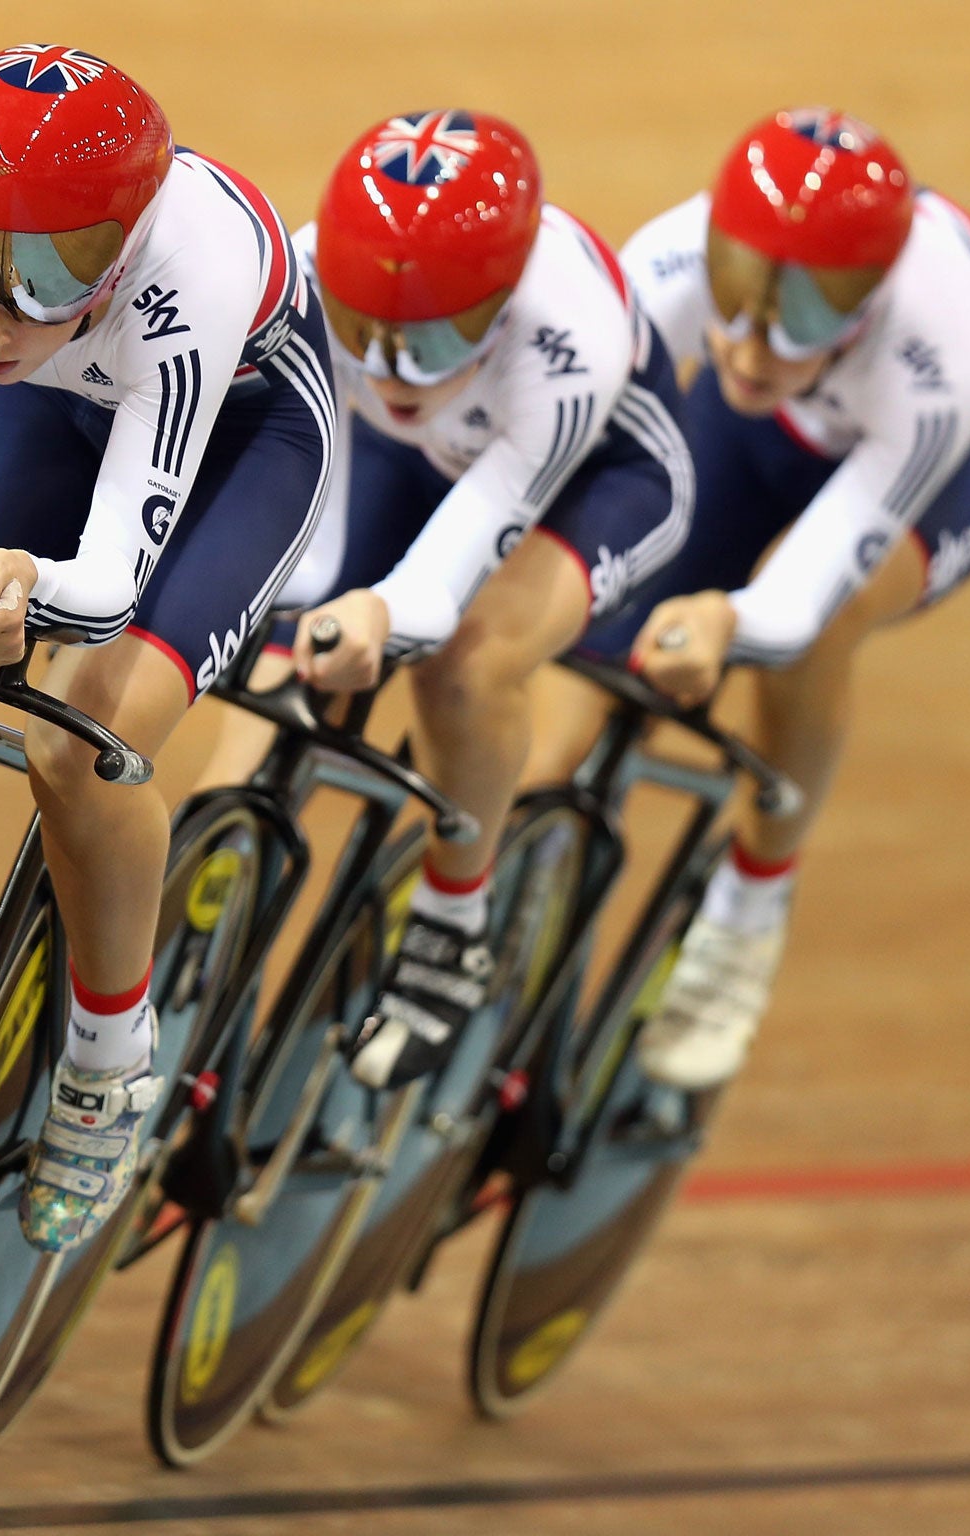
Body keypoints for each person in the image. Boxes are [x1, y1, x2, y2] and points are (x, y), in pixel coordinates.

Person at [0, 45, 335, 1251]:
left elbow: (104, 587)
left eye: (40, 277)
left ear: (120, 245)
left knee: (80, 746)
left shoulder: (190, 269)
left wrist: (28, 588)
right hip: (64, 400)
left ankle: (107, 1058)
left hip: (244, 443)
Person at [202, 110, 694, 1089]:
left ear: (501, 303)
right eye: (366, 331)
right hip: (408, 456)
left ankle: (451, 921)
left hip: (597, 477)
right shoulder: (300, 275)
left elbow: (444, 572)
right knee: (270, 679)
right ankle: (199, 917)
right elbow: (302, 483)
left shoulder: (570, 337)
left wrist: (372, 618)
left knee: (464, 662)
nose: (391, 369)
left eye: (433, 337)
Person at [564, 107, 970, 1090]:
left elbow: (802, 584)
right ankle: (521, 850)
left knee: (815, 619)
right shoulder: (668, 264)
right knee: (575, 640)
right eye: (734, 302)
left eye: (803, 322)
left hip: (940, 465)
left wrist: (730, 620)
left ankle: (749, 906)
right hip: (753, 438)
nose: (745, 350)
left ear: (865, 308)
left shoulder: (934, 346)